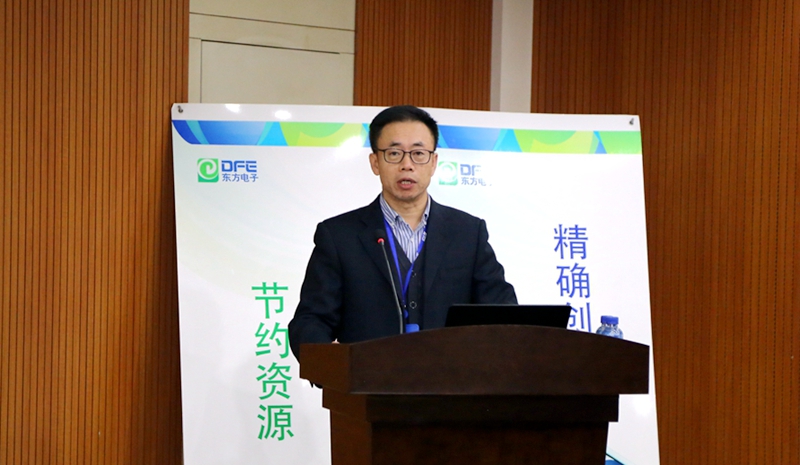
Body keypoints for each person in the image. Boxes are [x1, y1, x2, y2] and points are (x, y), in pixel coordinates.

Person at [288, 105, 517, 361]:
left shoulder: (468, 232)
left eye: (418, 153)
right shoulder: (338, 235)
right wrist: (332, 362)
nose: (407, 165)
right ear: (375, 162)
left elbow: (502, 312)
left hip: (451, 380)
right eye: (394, 153)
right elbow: (311, 320)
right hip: (367, 380)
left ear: (433, 163)